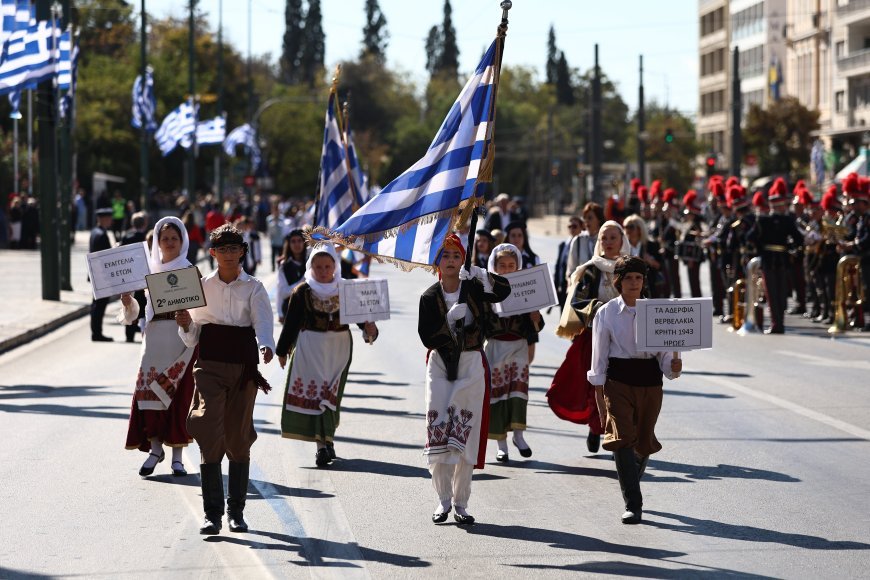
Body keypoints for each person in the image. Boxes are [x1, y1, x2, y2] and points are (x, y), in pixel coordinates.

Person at [175, 224, 275, 535]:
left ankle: (237, 512)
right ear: (213, 253)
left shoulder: (254, 287)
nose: (229, 254)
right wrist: (184, 323)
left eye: (235, 248)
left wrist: (266, 345)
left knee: (238, 437)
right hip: (209, 366)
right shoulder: (201, 287)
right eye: (223, 249)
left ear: (243, 252)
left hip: (243, 368)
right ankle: (212, 514)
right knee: (208, 430)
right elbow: (192, 338)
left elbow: (263, 323)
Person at [418, 233, 511, 525]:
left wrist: (482, 274)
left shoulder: (473, 288)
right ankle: (442, 500)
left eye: (456, 256)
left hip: (470, 361)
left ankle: (461, 502)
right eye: (445, 256)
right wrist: (447, 322)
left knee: (465, 431)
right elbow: (426, 336)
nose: (450, 261)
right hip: (441, 363)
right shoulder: (429, 296)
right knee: (440, 428)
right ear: (437, 261)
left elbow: (504, 291)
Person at [588, 255, 682, 524]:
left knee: (642, 441)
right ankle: (633, 503)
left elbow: (666, 361)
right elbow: (599, 359)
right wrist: (599, 398)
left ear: (644, 281)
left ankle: (631, 481)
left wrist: (674, 365)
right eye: (628, 278)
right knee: (622, 438)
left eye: (638, 278)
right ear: (618, 281)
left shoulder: (656, 312)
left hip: (650, 384)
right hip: (618, 382)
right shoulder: (606, 313)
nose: (633, 283)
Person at [275, 244, 379, 467]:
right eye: (318, 266)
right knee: (316, 397)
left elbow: (363, 322)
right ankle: (321, 446)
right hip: (309, 351)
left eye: (327, 266)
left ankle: (327, 438)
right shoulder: (302, 292)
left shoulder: (347, 290)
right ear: (310, 266)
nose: (323, 271)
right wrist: (282, 351)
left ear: (335, 266)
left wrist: (370, 330)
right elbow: (291, 324)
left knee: (331, 397)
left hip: (338, 351)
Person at [120, 217, 197, 477]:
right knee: (149, 396)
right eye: (165, 239)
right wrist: (128, 300)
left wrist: (188, 322)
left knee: (177, 398)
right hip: (153, 338)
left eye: (174, 238)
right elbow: (134, 315)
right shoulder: (148, 271)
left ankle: (177, 458)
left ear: (182, 240)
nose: (170, 243)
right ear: (158, 242)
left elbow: (201, 312)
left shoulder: (190, 271)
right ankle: (155, 449)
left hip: (181, 340)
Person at [548, 220, 630, 454]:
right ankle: (597, 428)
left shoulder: (630, 268)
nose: (608, 242)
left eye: (613, 237)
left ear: (622, 240)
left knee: (621, 387)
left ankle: (616, 432)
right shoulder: (591, 269)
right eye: (604, 238)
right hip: (596, 336)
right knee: (596, 384)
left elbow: (645, 297)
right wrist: (602, 309)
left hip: (625, 338)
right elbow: (578, 302)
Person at [484, 243, 543, 462]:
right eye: (502, 266)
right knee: (498, 394)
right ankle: (502, 446)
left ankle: (519, 436)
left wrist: (535, 318)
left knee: (518, 392)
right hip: (496, 348)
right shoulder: (486, 291)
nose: (507, 269)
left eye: (511, 265)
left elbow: (536, 326)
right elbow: (480, 323)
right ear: (494, 266)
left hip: (518, 346)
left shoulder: (526, 290)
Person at [747, 178, 804, 334]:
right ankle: (781, 323)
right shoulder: (788, 220)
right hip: (783, 259)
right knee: (781, 292)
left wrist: (760, 249)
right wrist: (790, 248)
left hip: (767, 259)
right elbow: (799, 239)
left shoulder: (762, 220)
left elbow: (750, 237)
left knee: (771, 293)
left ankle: (775, 323)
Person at [120, 212, 149, 343]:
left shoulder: (126, 235)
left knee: (129, 304)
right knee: (142, 304)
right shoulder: (144, 237)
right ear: (144, 224)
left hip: (128, 275)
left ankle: (129, 334)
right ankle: (144, 330)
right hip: (142, 275)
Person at [90, 208, 116, 341]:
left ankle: (96, 332)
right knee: (99, 306)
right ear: (103, 219)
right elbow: (106, 257)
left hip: (95, 273)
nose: (111, 220)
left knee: (96, 305)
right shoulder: (101, 235)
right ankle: (97, 333)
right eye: (109, 218)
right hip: (101, 275)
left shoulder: (95, 232)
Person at [276, 229, 308, 323]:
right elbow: (282, 292)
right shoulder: (284, 266)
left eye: (299, 241)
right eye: (293, 241)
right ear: (289, 244)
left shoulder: (311, 263)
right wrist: (280, 313)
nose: (296, 244)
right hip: (290, 309)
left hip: (308, 310)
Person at [566, 202, 605, 281]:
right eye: (584, 218)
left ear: (599, 219)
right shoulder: (578, 240)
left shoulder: (605, 239)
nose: (586, 221)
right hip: (582, 289)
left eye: (590, 218)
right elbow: (570, 270)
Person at [554, 216, 582, 309]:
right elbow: (558, 267)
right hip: (563, 288)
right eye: (569, 226)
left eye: (574, 226)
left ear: (581, 228)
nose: (572, 229)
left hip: (577, 289)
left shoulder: (583, 245)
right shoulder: (563, 245)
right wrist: (556, 286)